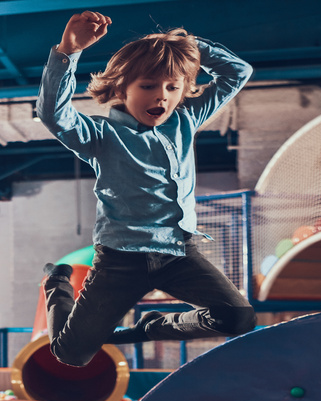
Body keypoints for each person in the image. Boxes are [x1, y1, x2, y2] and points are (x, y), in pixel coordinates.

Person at [36, 11, 257, 367]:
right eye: (149, 86)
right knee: (72, 354)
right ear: (123, 88)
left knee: (239, 318)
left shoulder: (186, 119)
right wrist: (67, 52)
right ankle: (56, 282)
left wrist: (189, 46)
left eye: (173, 87)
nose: (162, 98)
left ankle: (150, 327)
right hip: (122, 259)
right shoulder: (102, 135)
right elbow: (54, 115)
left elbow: (238, 72)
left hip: (178, 253)